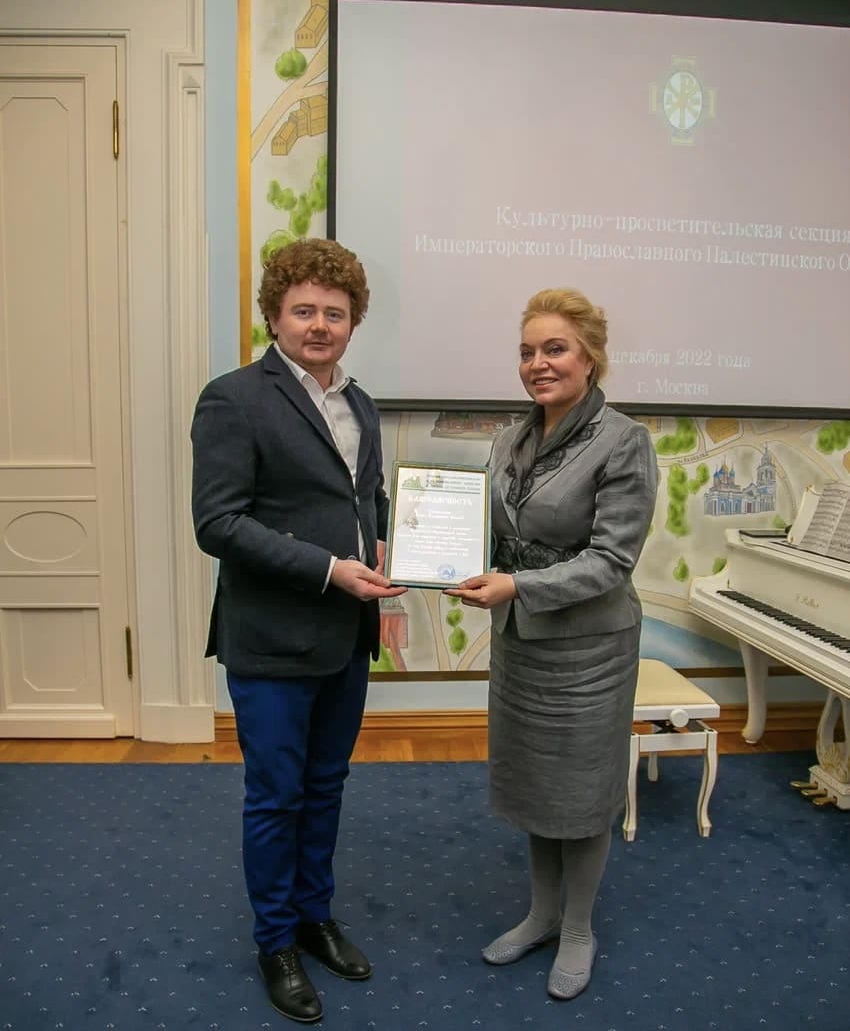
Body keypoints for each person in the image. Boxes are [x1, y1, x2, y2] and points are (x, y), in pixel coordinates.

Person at [191, 238, 405, 1024]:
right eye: (304, 310)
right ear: (275, 316)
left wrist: (386, 543)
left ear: (353, 322)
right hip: (271, 639)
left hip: (347, 636)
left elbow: (366, 498)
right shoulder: (233, 399)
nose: (320, 325)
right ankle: (276, 941)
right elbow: (218, 523)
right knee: (276, 796)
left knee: (326, 786)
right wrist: (328, 568)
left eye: (335, 313)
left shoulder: (361, 403)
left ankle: (315, 916)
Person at [447, 288, 657, 1001]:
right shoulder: (510, 438)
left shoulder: (623, 440)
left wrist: (515, 586)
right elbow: (491, 530)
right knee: (536, 785)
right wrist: (439, 556)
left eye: (555, 349)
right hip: (522, 643)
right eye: (527, 351)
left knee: (582, 792)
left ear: (590, 358)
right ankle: (541, 915)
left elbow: (612, 561)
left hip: (589, 649)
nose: (538, 363)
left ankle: (578, 929)